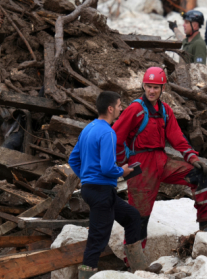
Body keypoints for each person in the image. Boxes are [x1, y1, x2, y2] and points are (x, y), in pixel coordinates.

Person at [113, 67, 207, 244]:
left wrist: (192, 157)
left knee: (198, 175)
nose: (152, 91)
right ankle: (134, 263)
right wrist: (122, 163)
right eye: (149, 86)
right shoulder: (135, 109)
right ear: (143, 86)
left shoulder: (165, 110)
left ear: (163, 89)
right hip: (140, 166)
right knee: (139, 219)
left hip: (162, 161)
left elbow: (177, 138)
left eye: (156, 87)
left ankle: (205, 222)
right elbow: (115, 137)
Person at [69, 91, 148, 279]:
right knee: (98, 237)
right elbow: (107, 168)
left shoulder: (88, 129)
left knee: (132, 216)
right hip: (101, 191)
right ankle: (86, 276)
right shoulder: (108, 132)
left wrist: (86, 177)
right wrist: (124, 171)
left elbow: (73, 158)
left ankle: (137, 269)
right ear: (110, 108)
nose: (122, 108)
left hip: (95, 190)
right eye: (120, 105)